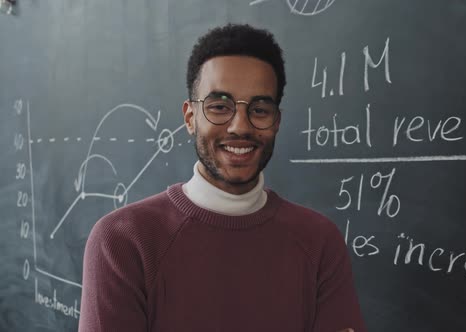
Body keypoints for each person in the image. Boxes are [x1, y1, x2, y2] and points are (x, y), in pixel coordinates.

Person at [79, 24, 366, 332]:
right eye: (219, 107)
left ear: (276, 122)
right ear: (190, 118)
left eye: (259, 109)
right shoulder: (124, 242)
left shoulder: (319, 242)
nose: (239, 126)